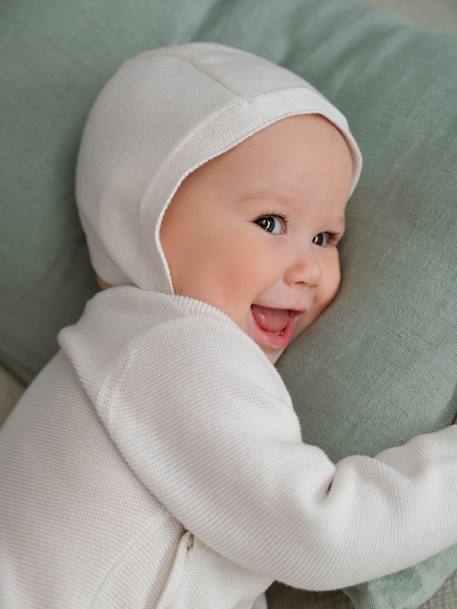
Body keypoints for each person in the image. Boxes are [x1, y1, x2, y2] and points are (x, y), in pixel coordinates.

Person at [1, 42, 457, 609]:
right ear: (146, 212)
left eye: (326, 238)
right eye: (272, 221)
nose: (308, 269)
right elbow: (320, 532)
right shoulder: (176, 344)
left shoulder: (120, 348)